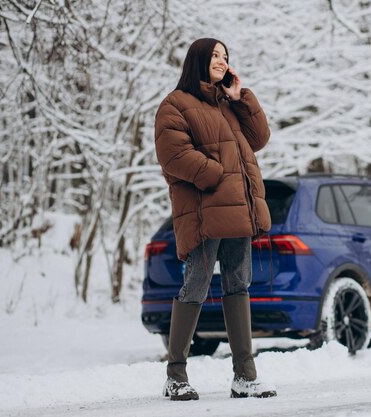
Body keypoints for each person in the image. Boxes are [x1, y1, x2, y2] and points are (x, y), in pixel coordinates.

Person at [154, 38, 276, 400]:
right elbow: (172, 154)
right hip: (206, 212)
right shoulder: (175, 105)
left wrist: (242, 97)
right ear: (198, 60)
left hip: (239, 211)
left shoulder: (228, 104)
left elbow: (260, 137)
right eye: (216, 56)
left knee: (239, 285)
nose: (222, 62)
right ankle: (175, 375)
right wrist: (214, 174)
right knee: (195, 285)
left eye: (226, 57)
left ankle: (245, 376)